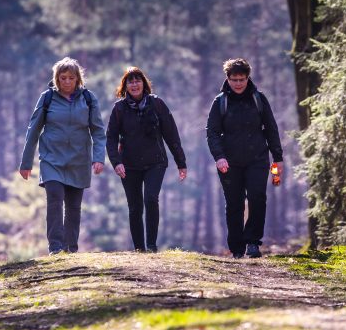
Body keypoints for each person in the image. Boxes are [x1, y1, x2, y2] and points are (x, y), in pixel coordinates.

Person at [19, 57, 106, 254]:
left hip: (79, 160)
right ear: (56, 78)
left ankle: (70, 249)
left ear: (78, 79)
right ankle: (56, 247)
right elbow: (33, 130)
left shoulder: (88, 99)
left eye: (71, 78)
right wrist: (26, 162)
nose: (67, 82)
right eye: (63, 77)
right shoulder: (47, 98)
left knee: (74, 207)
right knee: (55, 199)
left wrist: (98, 158)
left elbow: (98, 131)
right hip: (52, 160)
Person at [205, 58, 284, 259]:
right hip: (229, 162)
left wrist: (277, 157)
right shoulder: (220, 102)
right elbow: (212, 132)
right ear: (228, 79)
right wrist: (219, 157)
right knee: (234, 203)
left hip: (257, 158)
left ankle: (253, 242)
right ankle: (237, 248)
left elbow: (271, 128)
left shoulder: (259, 99)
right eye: (234, 80)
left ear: (248, 78)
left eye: (242, 79)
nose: (238, 83)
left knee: (257, 198)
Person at [106, 67, 187, 253]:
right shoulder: (119, 109)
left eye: (138, 81)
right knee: (135, 207)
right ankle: (139, 248)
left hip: (155, 162)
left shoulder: (157, 104)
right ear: (125, 86)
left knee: (151, 199)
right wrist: (116, 162)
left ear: (144, 84)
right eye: (130, 82)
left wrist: (181, 162)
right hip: (129, 164)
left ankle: (151, 246)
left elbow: (171, 135)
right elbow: (111, 138)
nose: (134, 85)